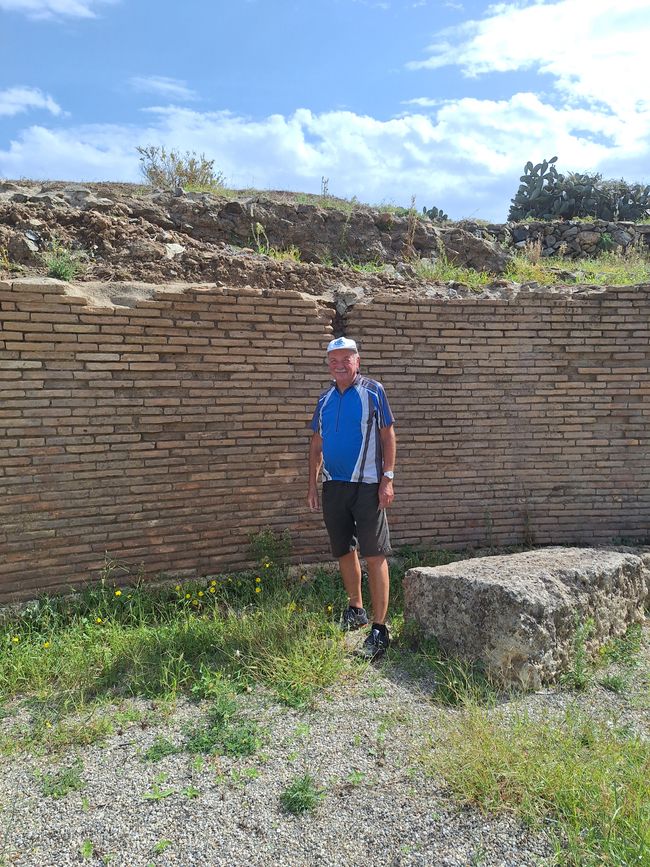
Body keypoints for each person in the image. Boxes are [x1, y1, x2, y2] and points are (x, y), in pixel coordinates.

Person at [307, 336, 396, 659]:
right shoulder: (325, 399)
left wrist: (388, 478)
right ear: (328, 364)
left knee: (374, 554)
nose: (340, 365)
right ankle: (355, 608)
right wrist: (311, 485)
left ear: (357, 361)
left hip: (368, 486)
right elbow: (316, 444)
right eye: (334, 360)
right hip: (334, 486)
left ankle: (380, 628)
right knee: (344, 550)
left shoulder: (374, 392)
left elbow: (388, 435)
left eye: (346, 359)